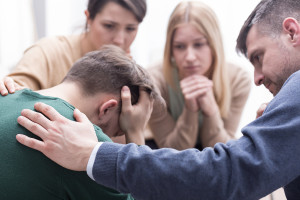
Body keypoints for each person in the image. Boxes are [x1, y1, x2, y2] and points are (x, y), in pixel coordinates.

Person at [13, 0, 300, 199]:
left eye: (259, 57)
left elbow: (231, 170)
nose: (257, 78)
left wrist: (93, 152)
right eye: (179, 46)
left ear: (292, 32)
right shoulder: (152, 81)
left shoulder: (244, 80)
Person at [0, 45, 161, 199]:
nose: (111, 140)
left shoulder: (5, 94)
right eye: (118, 132)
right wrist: (135, 132)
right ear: (106, 109)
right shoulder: (81, 142)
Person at [146, 1, 251, 150]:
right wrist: (190, 109)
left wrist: (211, 111)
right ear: (170, 49)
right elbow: (171, 151)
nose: (189, 57)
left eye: (199, 44)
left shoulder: (238, 79)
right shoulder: (153, 81)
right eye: (180, 46)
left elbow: (224, 154)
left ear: (214, 44)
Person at [0, 0, 146, 93]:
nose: (119, 40)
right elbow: (12, 95)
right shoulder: (48, 52)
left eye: (130, 29)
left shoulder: (131, 73)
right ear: (88, 17)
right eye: (109, 26)